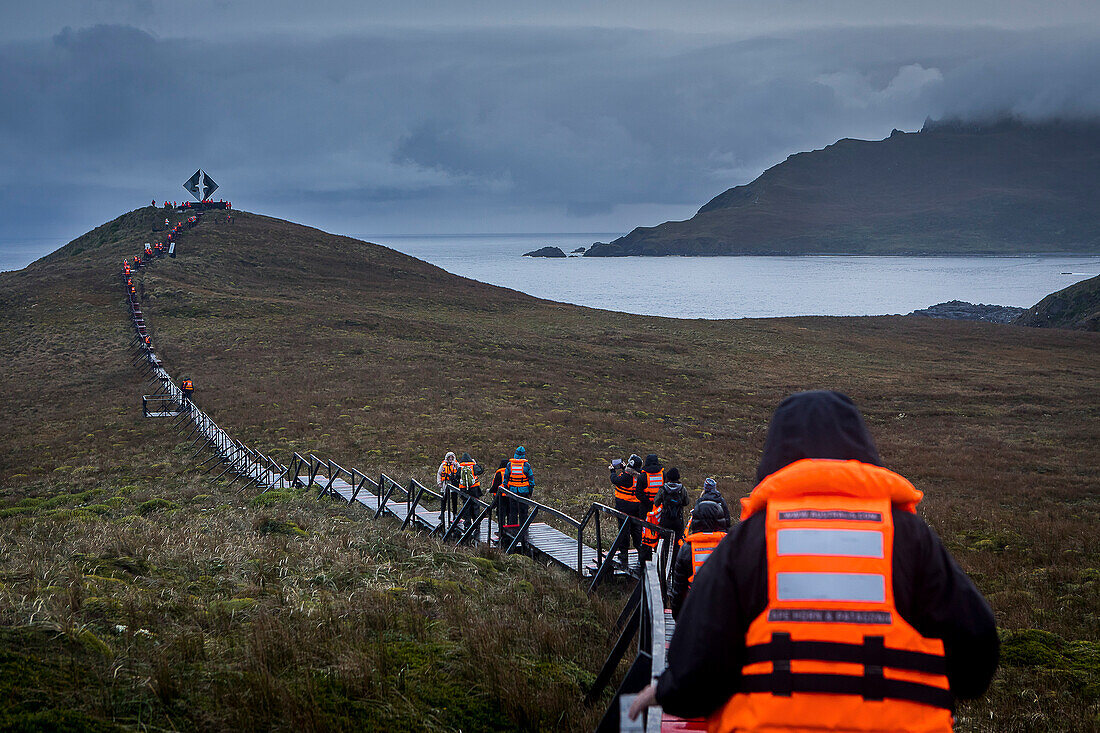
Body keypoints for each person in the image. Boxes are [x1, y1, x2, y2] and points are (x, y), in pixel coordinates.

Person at [629, 390, 999, 731]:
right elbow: (976, 658)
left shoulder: (749, 540)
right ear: (862, 447)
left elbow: (698, 670)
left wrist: (668, 690)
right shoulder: (910, 537)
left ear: (775, 452)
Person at [669, 499, 729, 619]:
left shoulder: (686, 549)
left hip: (695, 613)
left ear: (695, 521)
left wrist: (677, 616)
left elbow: (679, 589)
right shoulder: (731, 545)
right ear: (721, 520)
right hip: (725, 614)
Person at [609, 454, 644, 568]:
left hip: (623, 508)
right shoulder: (641, 477)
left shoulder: (626, 476)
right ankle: (641, 554)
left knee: (624, 531)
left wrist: (612, 471)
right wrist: (624, 469)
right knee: (637, 531)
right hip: (637, 508)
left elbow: (615, 480)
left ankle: (624, 554)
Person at [654, 466, 688, 565]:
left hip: (666, 520)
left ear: (668, 477)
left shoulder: (663, 488)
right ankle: (675, 564)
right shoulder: (682, 489)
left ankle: (665, 564)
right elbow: (686, 502)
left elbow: (656, 502)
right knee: (677, 543)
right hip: (678, 520)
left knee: (665, 542)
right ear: (678, 477)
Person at [502, 446, 533, 545]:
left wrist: (506, 488)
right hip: (524, 491)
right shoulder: (526, 465)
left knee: (513, 511)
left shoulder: (509, 465)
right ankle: (524, 529)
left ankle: (513, 529)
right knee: (523, 511)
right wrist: (530, 491)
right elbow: (531, 480)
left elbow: (506, 478)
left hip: (513, 491)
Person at [456, 452, 484, 537]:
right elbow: (481, 470)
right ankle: (477, 525)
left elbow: (456, 476)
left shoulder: (460, 467)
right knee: (475, 506)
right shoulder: (473, 466)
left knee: (466, 506)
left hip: (464, 489)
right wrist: (476, 464)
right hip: (474, 489)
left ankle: (467, 524)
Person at [437, 452, 461, 523]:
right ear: (446, 458)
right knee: (444, 499)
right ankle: (442, 513)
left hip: (454, 484)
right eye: (449, 457)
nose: (450, 459)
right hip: (445, 484)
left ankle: (454, 514)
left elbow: (460, 473)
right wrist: (439, 482)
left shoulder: (456, 464)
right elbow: (439, 473)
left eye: (452, 457)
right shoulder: (443, 465)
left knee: (454, 499)